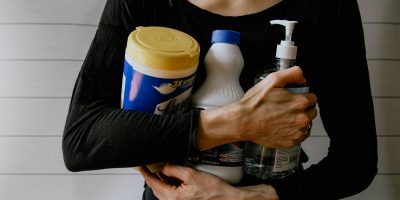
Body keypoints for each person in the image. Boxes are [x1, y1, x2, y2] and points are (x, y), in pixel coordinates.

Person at [62, 0, 378, 199]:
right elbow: (82, 140)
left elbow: (356, 162)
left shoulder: (325, 6)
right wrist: (238, 123)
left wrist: (246, 198)